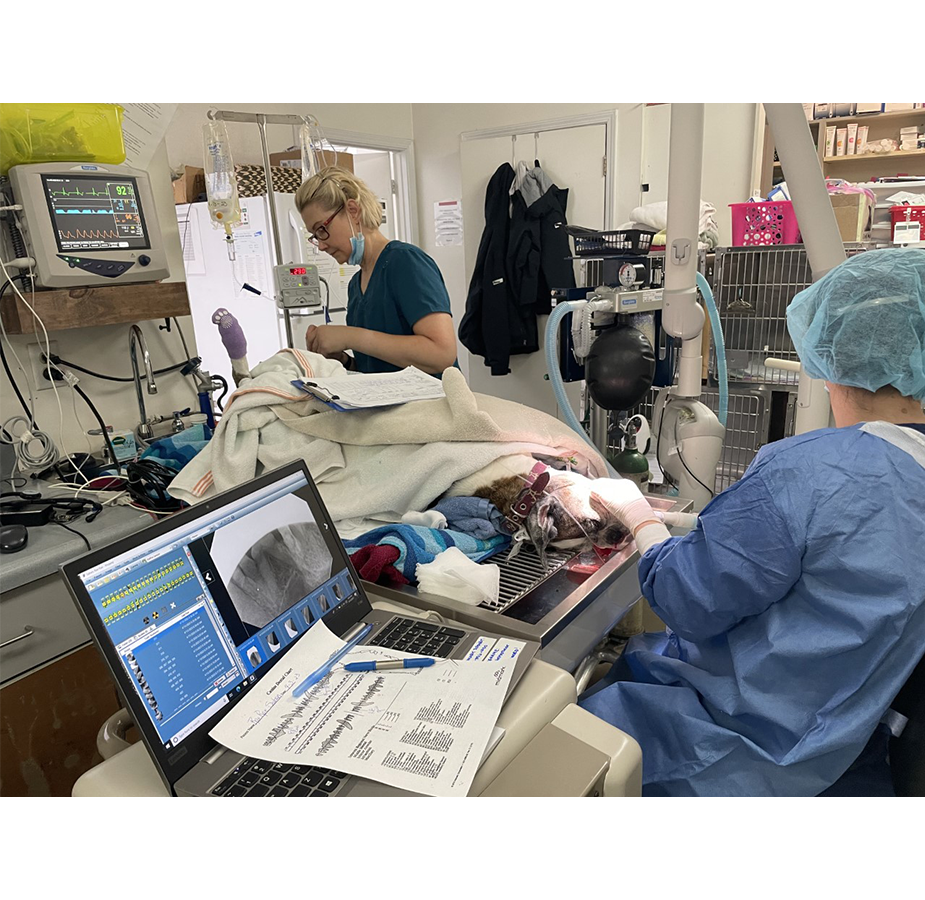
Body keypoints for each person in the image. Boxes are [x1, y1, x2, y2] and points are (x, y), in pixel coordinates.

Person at [579, 248, 925, 796]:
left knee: (561, 735)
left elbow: (689, 600)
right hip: (850, 736)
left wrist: (641, 521)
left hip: (745, 743)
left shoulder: (813, 472)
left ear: (832, 359)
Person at [294, 166, 458, 376]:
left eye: (322, 230)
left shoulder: (405, 262)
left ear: (353, 211)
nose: (322, 246)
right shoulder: (356, 285)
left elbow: (441, 355)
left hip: (432, 406)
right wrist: (342, 360)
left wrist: (350, 337)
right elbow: (377, 369)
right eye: (315, 236)